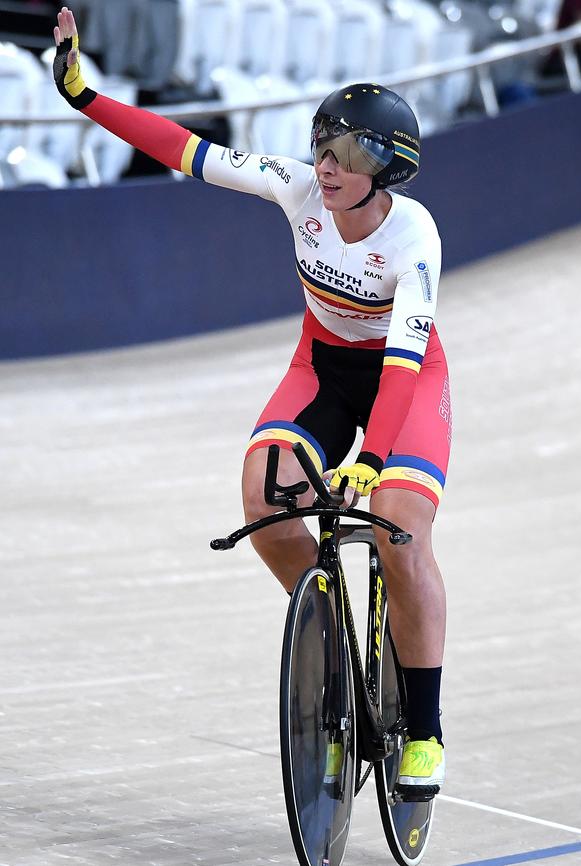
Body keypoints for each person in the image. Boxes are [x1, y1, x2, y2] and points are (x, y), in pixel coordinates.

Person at [53, 5, 451, 800]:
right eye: (320, 145)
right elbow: (185, 150)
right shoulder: (296, 189)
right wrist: (84, 96)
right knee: (265, 500)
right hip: (323, 370)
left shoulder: (413, 239)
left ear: (388, 167)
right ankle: (333, 648)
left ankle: (427, 729)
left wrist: (372, 461)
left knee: (401, 535)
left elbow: (403, 362)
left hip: (405, 384)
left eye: (345, 152)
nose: (326, 166)